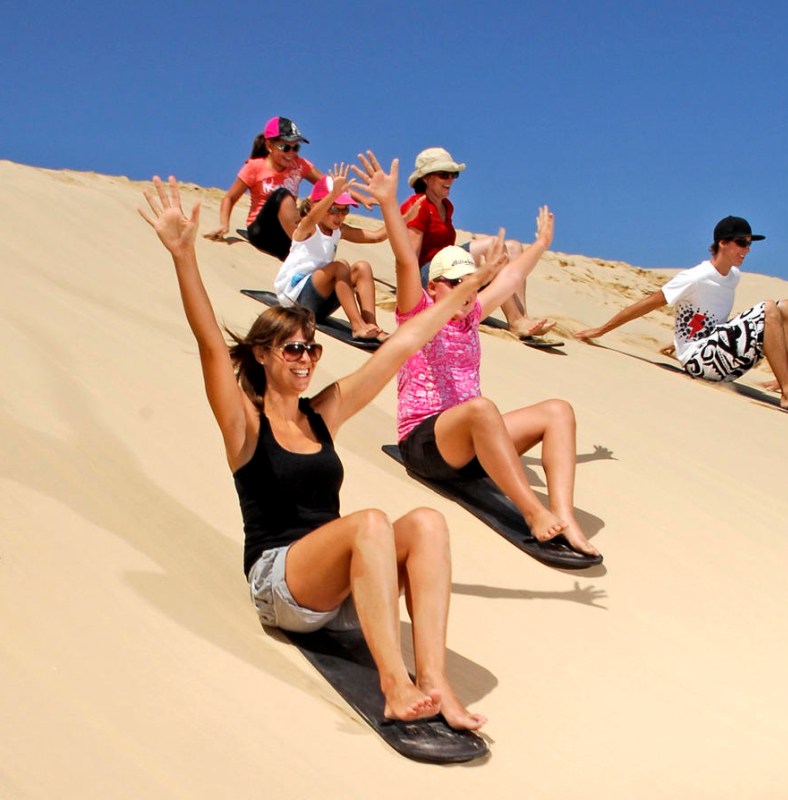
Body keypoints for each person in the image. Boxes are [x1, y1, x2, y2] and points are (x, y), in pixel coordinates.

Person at [139, 174, 492, 730]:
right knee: (370, 521)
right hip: (278, 582)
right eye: (293, 349)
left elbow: (400, 345)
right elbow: (210, 342)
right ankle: (394, 685)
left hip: (340, 586)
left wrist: (467, 293)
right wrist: (184, 255)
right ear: (262, 353)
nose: (306, 359)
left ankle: (434, 680)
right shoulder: (243, 423)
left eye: (313, 347)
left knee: (426, 522)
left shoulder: (321, 413)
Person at [353, 152, 602, 562]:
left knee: (558, 411)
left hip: (470, 443)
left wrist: (539, 245)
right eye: (454, 282)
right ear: (433, 287)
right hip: (425, 445)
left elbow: (510, 278)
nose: (464, 290)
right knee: (481, 408)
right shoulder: (415, 312)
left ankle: (564, 515)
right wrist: (385, 202)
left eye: (468, 282)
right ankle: (533, 512)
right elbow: (403, 258)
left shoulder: (469, 316)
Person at [575, 216, 788, 412]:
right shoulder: (695, 277)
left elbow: (706, 319)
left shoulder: (733, 276)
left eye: (749, 244)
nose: (747, 249)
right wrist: (602, 330)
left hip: (717, 356)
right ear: (722, 243)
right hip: (699, 362)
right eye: (741, 242)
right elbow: (650, 303)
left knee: (787, 307)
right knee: (768, 308)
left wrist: (678, 340)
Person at [401, 147, 556, 338]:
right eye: (443, 174)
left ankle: (522, 315)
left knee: (514, 246)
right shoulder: (417, 205)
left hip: (450, 270)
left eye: (453, 174)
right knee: (493, 245)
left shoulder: (446, 207)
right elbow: (409, 256)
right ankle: (516, 321)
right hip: (427, 277)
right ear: (425, 178)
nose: (450, 179)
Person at [274, 165, 391, 341]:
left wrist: (399, 214)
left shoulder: (338, 231)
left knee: (362, 268)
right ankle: (357, 326)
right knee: (340, 267)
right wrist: (332, 195)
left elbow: (377, 237)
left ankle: (371, 324)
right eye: (334, 209)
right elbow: (313, 217)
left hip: (320, 302)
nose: (340, 216)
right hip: (295, 299)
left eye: (344, 210)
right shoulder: (306, 229)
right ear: (317, 204)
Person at [204, 117, 324, 259]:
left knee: (318, 203)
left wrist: (357, 197)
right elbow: (229, 198)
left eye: (295, 147)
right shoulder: (254, 167)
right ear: (269, 145)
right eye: (285, 147)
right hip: (261, 231)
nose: (291, 153)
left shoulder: (300, 165)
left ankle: (304, 251)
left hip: (285, 234)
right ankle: (302, 246)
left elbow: (331, 185)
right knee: (282, 195)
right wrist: (224, 224)